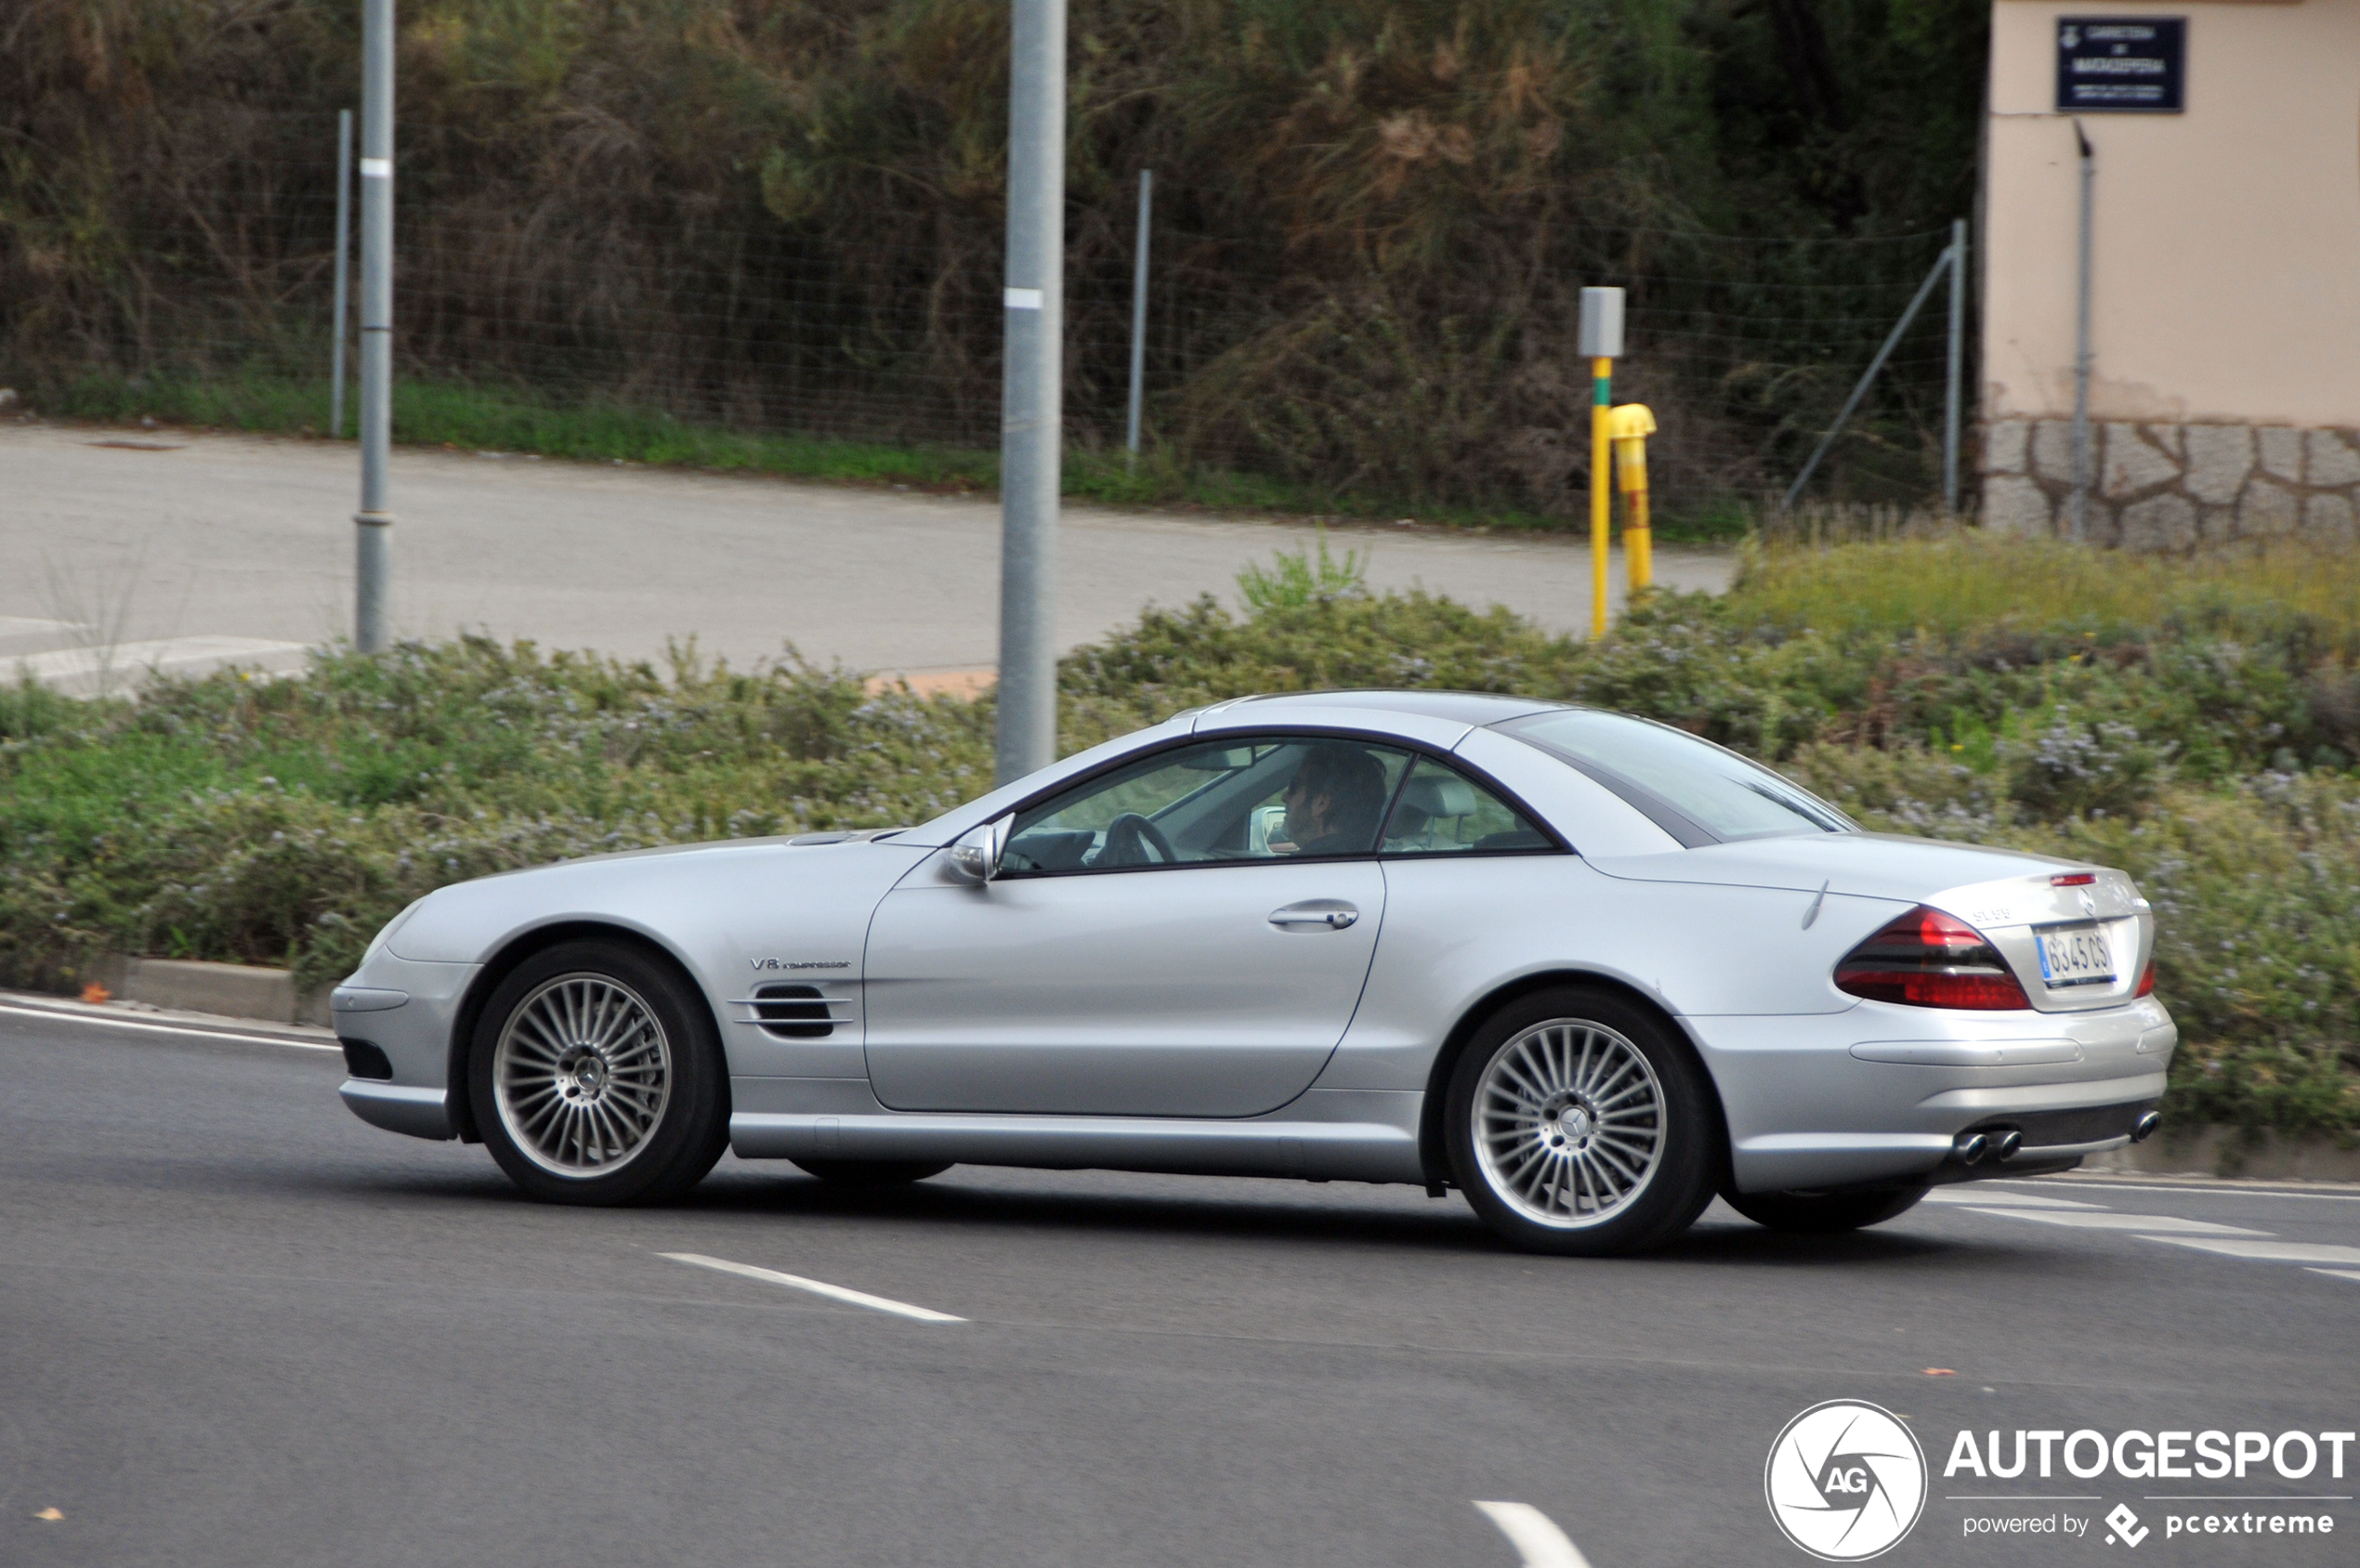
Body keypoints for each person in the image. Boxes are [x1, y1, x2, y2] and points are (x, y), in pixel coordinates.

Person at [1277, 743, 1387, 856]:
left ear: (1321, 803)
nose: (1284, 797)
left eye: (1293, 787)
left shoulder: (1303, 866)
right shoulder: (1365, 855)